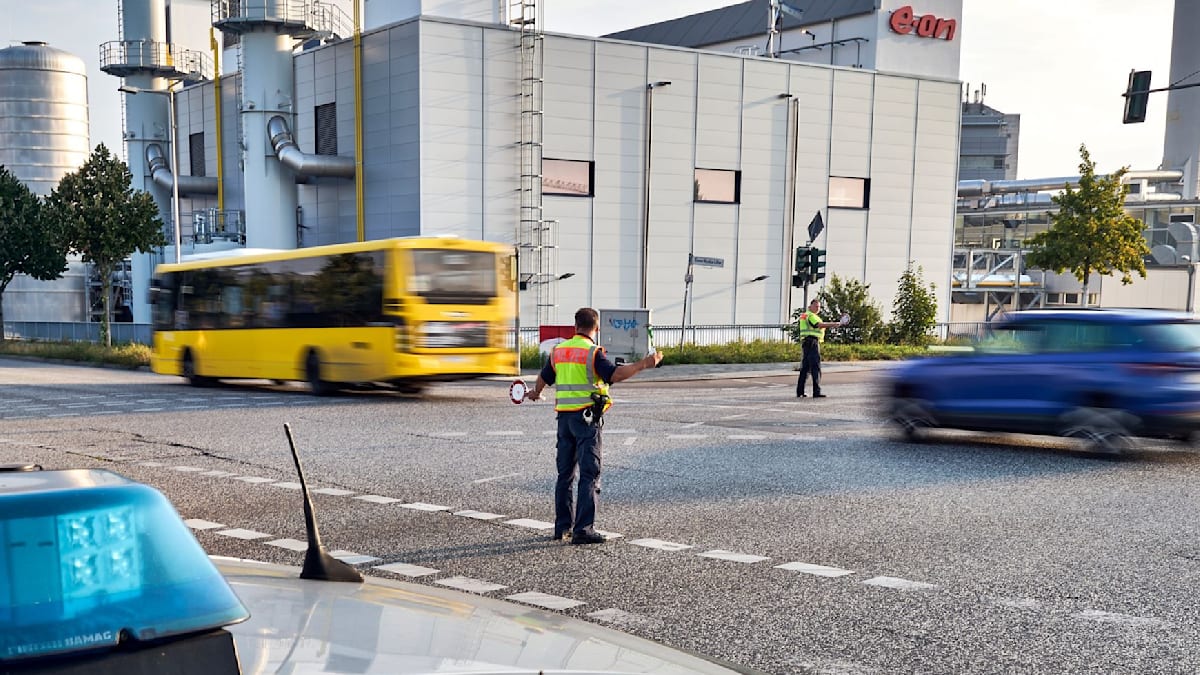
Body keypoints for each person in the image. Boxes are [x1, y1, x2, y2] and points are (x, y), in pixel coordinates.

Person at [525, 307, 664, 545]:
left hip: (564, 420)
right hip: (586, 420)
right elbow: (615, 374)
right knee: (590, 474)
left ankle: (562, 527)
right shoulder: (591, 353)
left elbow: (544, 376)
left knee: (565, 475)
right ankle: (583, 530)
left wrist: (535, 392)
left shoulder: (559, 351)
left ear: (575, 326)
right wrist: (644, 364)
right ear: (596, 328)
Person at [795, 299, 846, 398]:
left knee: (805, 368)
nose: (818, 308)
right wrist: (834, 324)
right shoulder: (811, 316)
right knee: (815, 367)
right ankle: (816, 391)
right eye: (816, 306)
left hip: (806, 343)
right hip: (812, 343)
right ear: (810, 306)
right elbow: (818, 325)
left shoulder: (804, 315)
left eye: (819, 307)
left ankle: (800, 391)